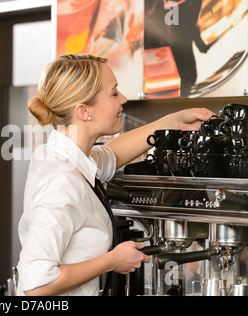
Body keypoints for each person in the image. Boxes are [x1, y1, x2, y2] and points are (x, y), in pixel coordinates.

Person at [16, 53, 215, 296]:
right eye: (113, 93)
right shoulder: (62, 180)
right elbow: (36, 284)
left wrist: (173, 121)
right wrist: (112, 260)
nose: (123, 98)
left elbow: (112, 155)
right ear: (83, 111)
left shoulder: (67, 156)